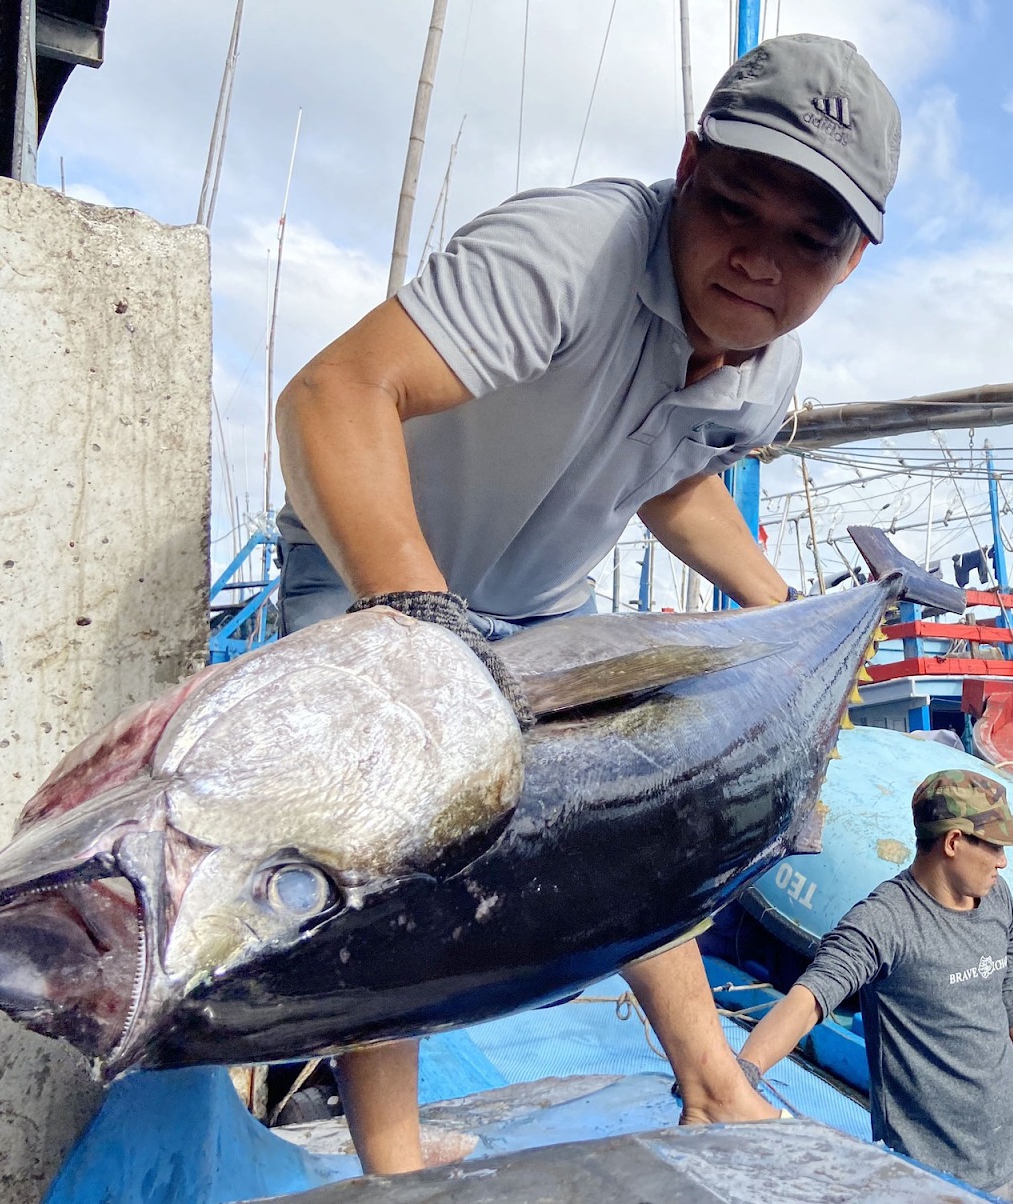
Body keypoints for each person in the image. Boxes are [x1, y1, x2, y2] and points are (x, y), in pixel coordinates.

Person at [273, 33, 900, 1174]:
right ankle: (392, 1156)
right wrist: (415, 617)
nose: (756, 260)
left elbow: (673, 477)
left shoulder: (769, 368)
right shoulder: (569, 250)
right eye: (734, 206)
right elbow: (333, 393)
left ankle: (715, 1085)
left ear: (851, 258)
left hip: (541, 596)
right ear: (687, 165)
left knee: (648, 809)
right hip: (374, 558)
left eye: (807, 241)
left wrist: (789, 613)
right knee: (394, 829)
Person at [738, 770, 1013, 1203]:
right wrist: (742, 1074)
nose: (1003, 861)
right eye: (994, 846)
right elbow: (811, 998)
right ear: (953, 842)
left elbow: (1010, 998)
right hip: (928, 1179)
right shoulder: (885, 921)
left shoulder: (998, 898)